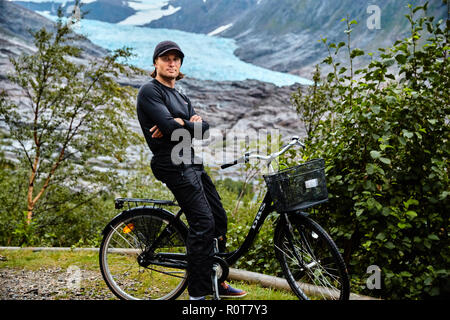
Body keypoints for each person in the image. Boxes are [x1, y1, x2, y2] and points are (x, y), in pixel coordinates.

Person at [136, 40, 247, 300]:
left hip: (191, 161)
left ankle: (215, 279)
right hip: (171, 163)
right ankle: (198, 294)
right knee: (203, 222)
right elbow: (175, 128)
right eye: (166, 58)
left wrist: (179, 121)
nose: (172, 62)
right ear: (156, 63)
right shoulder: (150, 91)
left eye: (176, 58)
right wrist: (184, 123)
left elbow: (204, 128)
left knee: (218, 219)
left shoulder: (181, 95)